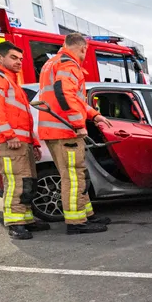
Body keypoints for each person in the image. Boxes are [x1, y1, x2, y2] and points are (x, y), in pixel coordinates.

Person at [36, 33, 110, 234]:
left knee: (76, 174)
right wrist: (78, 124)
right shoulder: (68, 65)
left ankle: (86, 215)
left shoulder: (52, 63)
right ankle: (76, 222)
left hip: (55, 130)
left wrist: (94, 115)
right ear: (83, 48)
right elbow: (66, 95)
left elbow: (74, 99)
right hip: (65, 131)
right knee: (74, 177)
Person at [0, 41, 50, 239]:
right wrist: (9, 135)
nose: (19, 62)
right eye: (13, 57)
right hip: (10, 142)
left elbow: (24, 118)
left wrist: (34, 143)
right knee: (16, 182)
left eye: (20, 58)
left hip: (21, 142)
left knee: (27, 182)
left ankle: (26, 219)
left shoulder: (11, 82)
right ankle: (15, 223)